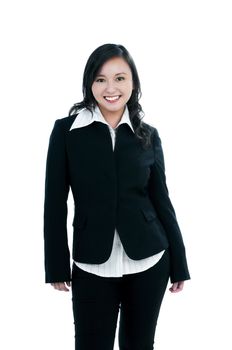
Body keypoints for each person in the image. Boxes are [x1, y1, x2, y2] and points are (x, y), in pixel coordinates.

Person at [43, 43, 191, 350]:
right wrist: (56, 265)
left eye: (120, 78)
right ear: (90, 84)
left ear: (133, 83)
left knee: (139, 345)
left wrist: (180, 263)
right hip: (92, 265)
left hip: (150, 260)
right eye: (100, 79)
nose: (111, 88)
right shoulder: (66, 132)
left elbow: (162, 201)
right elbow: (54, 203)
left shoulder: (147, 134)